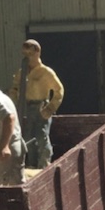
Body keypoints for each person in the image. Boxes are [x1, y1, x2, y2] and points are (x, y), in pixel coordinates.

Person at [9, 39, 64, 168]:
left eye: (31, 53)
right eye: (26, 54)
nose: (28, 57)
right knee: (27, 136)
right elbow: (14, 88)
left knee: (41, 136)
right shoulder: (22, 72)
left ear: (38, 52)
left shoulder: (46, 72)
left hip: (41, 107)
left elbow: (59, 90)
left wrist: (50, 108)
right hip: (26, 108)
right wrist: (13, 102)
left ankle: (44, 164)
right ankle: (31, 165)